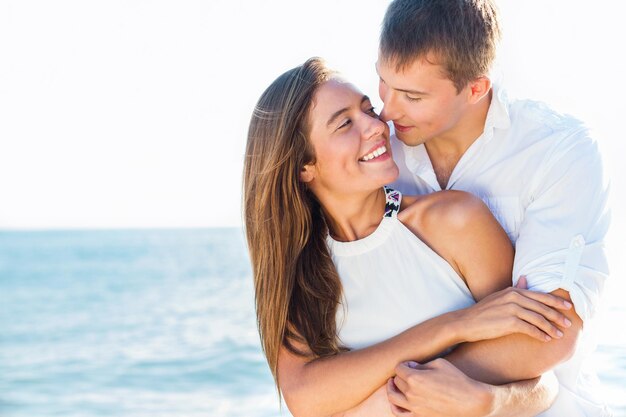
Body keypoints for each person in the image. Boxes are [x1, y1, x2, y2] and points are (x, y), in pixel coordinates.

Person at [243, 57, 575, 417]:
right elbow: (305, 397)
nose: (375, 126)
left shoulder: (453, 221)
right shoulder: (302, 268)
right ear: (304, 166)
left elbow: (538, 354)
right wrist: (452, 327)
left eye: (368, 110)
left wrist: (481, 402)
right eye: (345, 124)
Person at [376, 0, 611, 416]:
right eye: (383, 82)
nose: (388, 111)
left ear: (476, 88)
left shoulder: (557, 151)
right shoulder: (377, 153)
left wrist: (380, 394)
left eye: (413, 96)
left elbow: (548, 333)